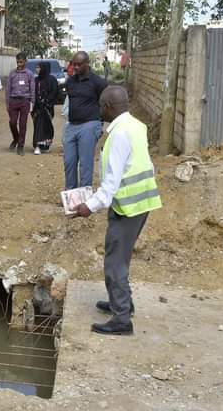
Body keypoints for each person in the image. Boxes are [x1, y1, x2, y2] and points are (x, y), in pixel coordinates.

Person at [72, 85, 162, 336]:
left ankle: (122, 319)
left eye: (101, 106)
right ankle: (122, 303)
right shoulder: (135, 125)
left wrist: (87, 207)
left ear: (108, 107)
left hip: (128, 207)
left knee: (114, 264)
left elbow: (111, 184)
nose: (100, 109)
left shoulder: (119, 135)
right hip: (141, 202)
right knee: (121, 258)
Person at [63, 51, 108, 190]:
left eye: (78, 64)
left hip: (89, 125)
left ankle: (84, 197)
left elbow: (106, 104)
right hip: (72, 126)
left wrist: (99, 125)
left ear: (87, 64)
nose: (75, 67)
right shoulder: (70, 81)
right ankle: (71, 196)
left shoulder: (98, 82)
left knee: (85, 164)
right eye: (73, 64)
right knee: (69, 162)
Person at [5, 52, 35, 155]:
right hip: (13, 100)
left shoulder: (29, 74)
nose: (19, 64)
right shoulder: (12, 73)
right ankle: (16, 138)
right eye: (17, 62)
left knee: (23, 124)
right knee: (12, 122)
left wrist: (32, 102)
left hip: (25, 101)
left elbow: (32, 89)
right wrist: (7, 103)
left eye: (21, 62)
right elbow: (8, 89)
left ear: (25, 62)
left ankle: (20, 146)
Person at [32, 62, 58, 155]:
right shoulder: (35, 80)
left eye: (38, 67)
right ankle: (37, 146)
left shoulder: (52, 80)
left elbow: (55, 91)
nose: (37, 69)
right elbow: (33, 92)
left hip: (48, 107)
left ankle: (46, 145)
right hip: (37, 108)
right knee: (38, 126)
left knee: (47, 127)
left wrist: (47, 101)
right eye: (36, 67)